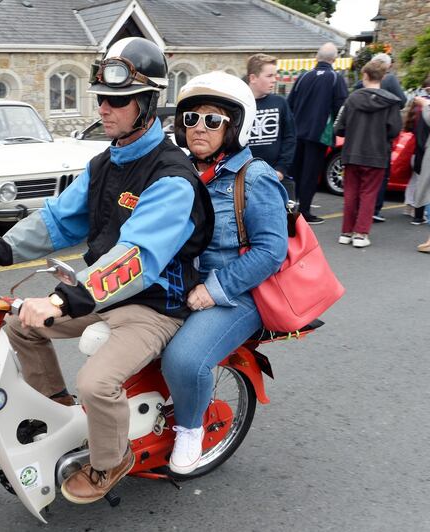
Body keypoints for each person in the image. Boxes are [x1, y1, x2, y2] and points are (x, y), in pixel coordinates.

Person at [0, 37, 214, 503]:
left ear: (146, 104)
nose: (105, 108)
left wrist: (65, 299)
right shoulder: (105, 163)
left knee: (96, 383)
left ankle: (110, 460)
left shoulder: (172, 178)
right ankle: (60, 414)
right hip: (101, 294)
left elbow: (138, 257)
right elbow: (59, 218)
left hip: (152, 303)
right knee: (20, 325)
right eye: (101, 97)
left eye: (118, 100)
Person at [161, 71, 288, 475]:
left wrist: (213, 289)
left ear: (234, 126)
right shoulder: (182, 172)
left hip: (236, 293)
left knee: (184, 360)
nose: (199, 128)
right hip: (180, 283)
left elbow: (271, 251)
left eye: (212, 120)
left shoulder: (256, 178)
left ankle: (190, 430)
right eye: (192, 119)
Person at [333, 60, 402, 248]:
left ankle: (346, 231)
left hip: (352, 152)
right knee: (368, 194)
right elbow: (395, 129)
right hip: (377, 154)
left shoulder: (352, 99)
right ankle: (361, 233)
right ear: (383, 77)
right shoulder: (391, 102)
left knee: (351, 193)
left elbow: (339, 127)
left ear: (365, 76)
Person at [287, 42, 349, 224]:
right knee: (311, 173)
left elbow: (290, 103)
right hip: (319, 133)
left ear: (317, 57)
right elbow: (341, 107)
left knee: (296, 171)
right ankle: (304, 211)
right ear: (334, 59)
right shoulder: (336, 78)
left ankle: (292, 206)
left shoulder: (303, 77)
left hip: (297, 131)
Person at [352, 53, 407, 223]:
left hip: (359, 136)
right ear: (387, 66)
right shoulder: (390, 80)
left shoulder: (360, 84)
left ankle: (356, 212)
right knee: (379, 177)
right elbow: (403, 101)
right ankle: (374, 209)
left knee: (356, 179)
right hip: (380, 136)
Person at [245, 54, 296, 198]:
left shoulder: (280, 103)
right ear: (253, 78)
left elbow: (290, 137)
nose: (274, 80)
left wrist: (281, 169)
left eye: (275, 75)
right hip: (244, 181)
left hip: (276, 178)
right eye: (269, 76)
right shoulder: (239, 105)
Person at [405, 76, 430, 228]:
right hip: (423, 151)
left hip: (417, 150)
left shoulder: (417, 105)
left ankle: (412, 209)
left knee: (417, 182)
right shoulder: (425, 108)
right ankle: (419, 215)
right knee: (423, 184)